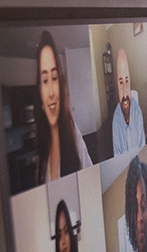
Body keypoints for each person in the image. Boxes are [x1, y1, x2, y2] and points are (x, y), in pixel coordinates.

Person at [35, 30, 92, 185]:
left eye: (54, 78)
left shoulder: (74, 137)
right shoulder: (41, 149)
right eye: (45, 80)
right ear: (40, 90)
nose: (52, 92)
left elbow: (90, 184)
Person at [112, 49, 146, 155]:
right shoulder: (116, 121)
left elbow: (143, 148)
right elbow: (117, 158)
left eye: (127, 81)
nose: (125, 93)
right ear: (117, 86)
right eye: (121, 82)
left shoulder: (137, 112)